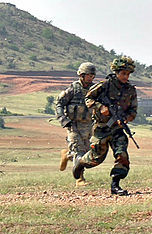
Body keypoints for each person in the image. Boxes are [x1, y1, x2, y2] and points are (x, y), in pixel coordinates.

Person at [73, 56, 138, 196]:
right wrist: (100, 107)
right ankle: (80, 162)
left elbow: (133, 111)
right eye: (123, 73)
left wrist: (125, 119)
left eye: (128, 74)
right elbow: (88, 98)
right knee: (96, 158)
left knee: (122, 156)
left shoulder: (131, 90)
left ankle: (115, 185)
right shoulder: (105, 85)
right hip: (101, 128)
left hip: (117, 129)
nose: (126, 77)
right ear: (116, 72)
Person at [55, 62, 96, 186]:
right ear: (82, 75)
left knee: (88, 153)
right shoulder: (72, 89)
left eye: (93, 76)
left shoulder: (95, 90)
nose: (91, 78)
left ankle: (67, 155)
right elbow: (59, 104)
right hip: (73, 125)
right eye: (89, 75)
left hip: (89, 126)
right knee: (79, 151)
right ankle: (79, 179)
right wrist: (63, 119)